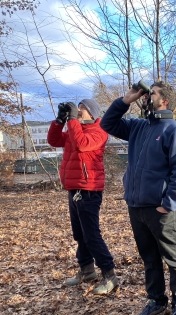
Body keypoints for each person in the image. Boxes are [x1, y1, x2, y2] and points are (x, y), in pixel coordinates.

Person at [101, 82, 176, 315]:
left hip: (161, 209)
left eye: (151, 93)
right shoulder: (139, 126)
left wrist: (169, 203)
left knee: (174, 258)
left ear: (164, 101)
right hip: (137, 206)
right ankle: (156, 301)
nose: (146, 96)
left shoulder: (174, 130)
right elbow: (107, 124)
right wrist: (125, 101)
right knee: (149, 258)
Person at [47, 99, 119, 295]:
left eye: (82, 109)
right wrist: (59, 120)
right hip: (74, 188)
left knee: (91, 234)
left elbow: (81, 144)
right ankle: (87, 270)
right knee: (79, 234)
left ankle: (110, 274)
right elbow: (53, 141)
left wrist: (71, 121)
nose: (78, 112)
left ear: (93, 113)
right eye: (76, 109)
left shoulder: (98, 131)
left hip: (89, 188)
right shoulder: (74, 129)